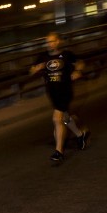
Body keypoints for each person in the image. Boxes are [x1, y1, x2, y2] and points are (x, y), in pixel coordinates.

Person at [29, 32, 89, 162]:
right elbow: (31, 70)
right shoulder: (43, 56)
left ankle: (59, 151)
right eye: (48, 42)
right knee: (65, 118)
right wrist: (36, 68)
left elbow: (80, 63)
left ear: (58, 42)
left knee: (57, 119)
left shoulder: (67, 55)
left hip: (65, 91)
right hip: (52, 93)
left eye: (52, 41)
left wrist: (77, 71)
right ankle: (80, 135)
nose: (50, 44)